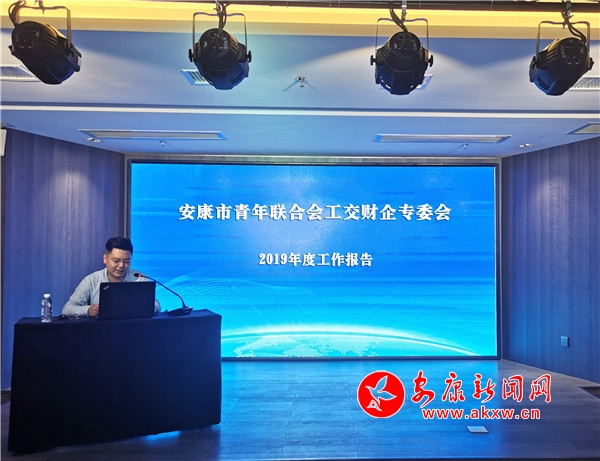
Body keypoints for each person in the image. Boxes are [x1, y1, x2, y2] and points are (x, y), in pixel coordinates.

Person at [62, 236, 160, 317]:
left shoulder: (139, 278)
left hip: (132, 329)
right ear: (105, 258)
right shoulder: (91, 280)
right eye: (116, 261)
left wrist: (147, 308)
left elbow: (156, 305)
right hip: (99, 331)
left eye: (127, 261)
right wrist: (88, 310)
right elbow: (67, 308)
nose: (121, 266)